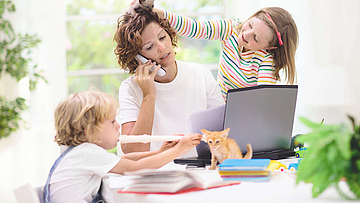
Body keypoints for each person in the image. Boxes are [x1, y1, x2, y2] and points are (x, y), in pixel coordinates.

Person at [44, 91, 202, 203]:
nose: (118, 126)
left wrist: (160, 152)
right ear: (90, 130)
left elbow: (123, 160)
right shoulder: (86, 153)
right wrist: (178, 150)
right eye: (112, 121)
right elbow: (133, 168)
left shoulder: (80, 153)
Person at [113, 8, 224, 157]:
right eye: (149, 47)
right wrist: (149, 96)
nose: (162, 47)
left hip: (199, 169)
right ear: (137, 58)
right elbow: (133, 153)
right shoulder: (130, 89)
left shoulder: (200, 74)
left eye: (162, 37)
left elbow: (223, 133)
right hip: (154, 172)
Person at [153, 6, 299, 99]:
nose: (246, 34)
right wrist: (157, 12)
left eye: (256, 38)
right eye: (250, 25)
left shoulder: (266, 60)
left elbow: (263, 100)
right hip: (217, 104)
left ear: (269, 47)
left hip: (242, 114)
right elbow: (196, 28)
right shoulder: (231, 28)